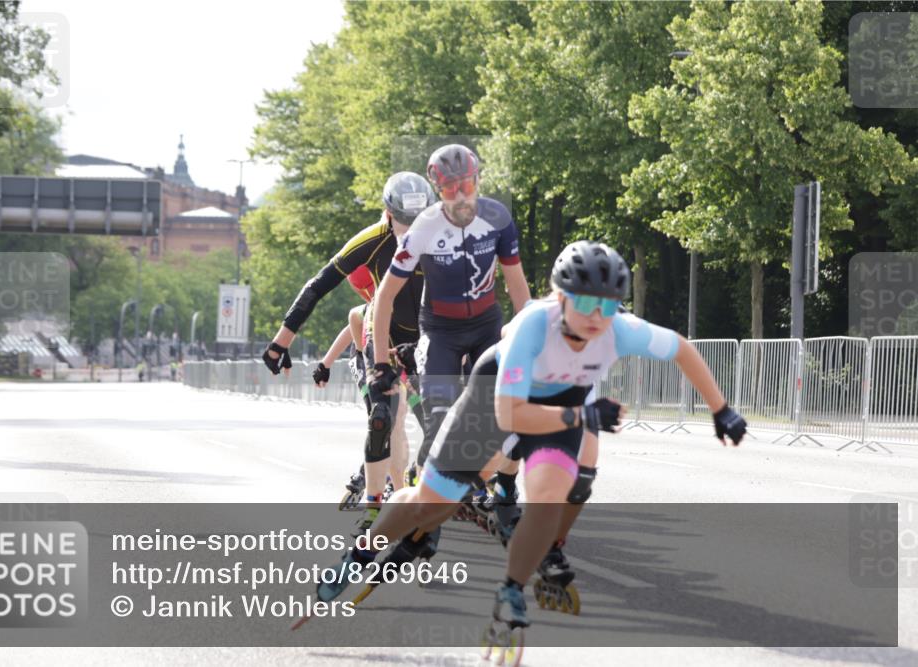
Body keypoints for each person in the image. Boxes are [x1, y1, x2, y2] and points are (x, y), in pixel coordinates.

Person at [317, 242, 748, 628]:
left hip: (564, 403)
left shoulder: (620, 328)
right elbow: (510, 413)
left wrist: (721, 409)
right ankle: (358, 556)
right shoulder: (533, 327)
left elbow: (681, 348)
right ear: (559, 297)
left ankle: (512, 584)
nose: (598, 317)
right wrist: (581, 415)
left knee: (552, 497)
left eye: (610, 305)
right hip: (495, 397)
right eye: (584, 303)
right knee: (429, 506)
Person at [367, 144, 532, 548]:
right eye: (450, 188)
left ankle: (505, 490)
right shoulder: (423, 226)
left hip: (486, 327)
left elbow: (517, 287)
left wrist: (528, 340)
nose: (461, 196)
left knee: (506, 416)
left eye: (468, 185)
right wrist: (379, 364)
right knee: (440, 424)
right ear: (437, 189)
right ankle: (426, 522)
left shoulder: (498, 218)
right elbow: (384, 297)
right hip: (440, 330)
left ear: (478, 180)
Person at [264, 172, 436, 527]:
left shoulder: (443, 235)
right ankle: (381, 504)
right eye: (403, 223)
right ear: (387, 214)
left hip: (427, 337)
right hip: (383, 333)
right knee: (386, 418)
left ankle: (424, 490)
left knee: (438, 421)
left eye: (417, 222)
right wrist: (282, 341)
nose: (410, 230)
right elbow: (318, 285)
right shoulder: (372, 239)